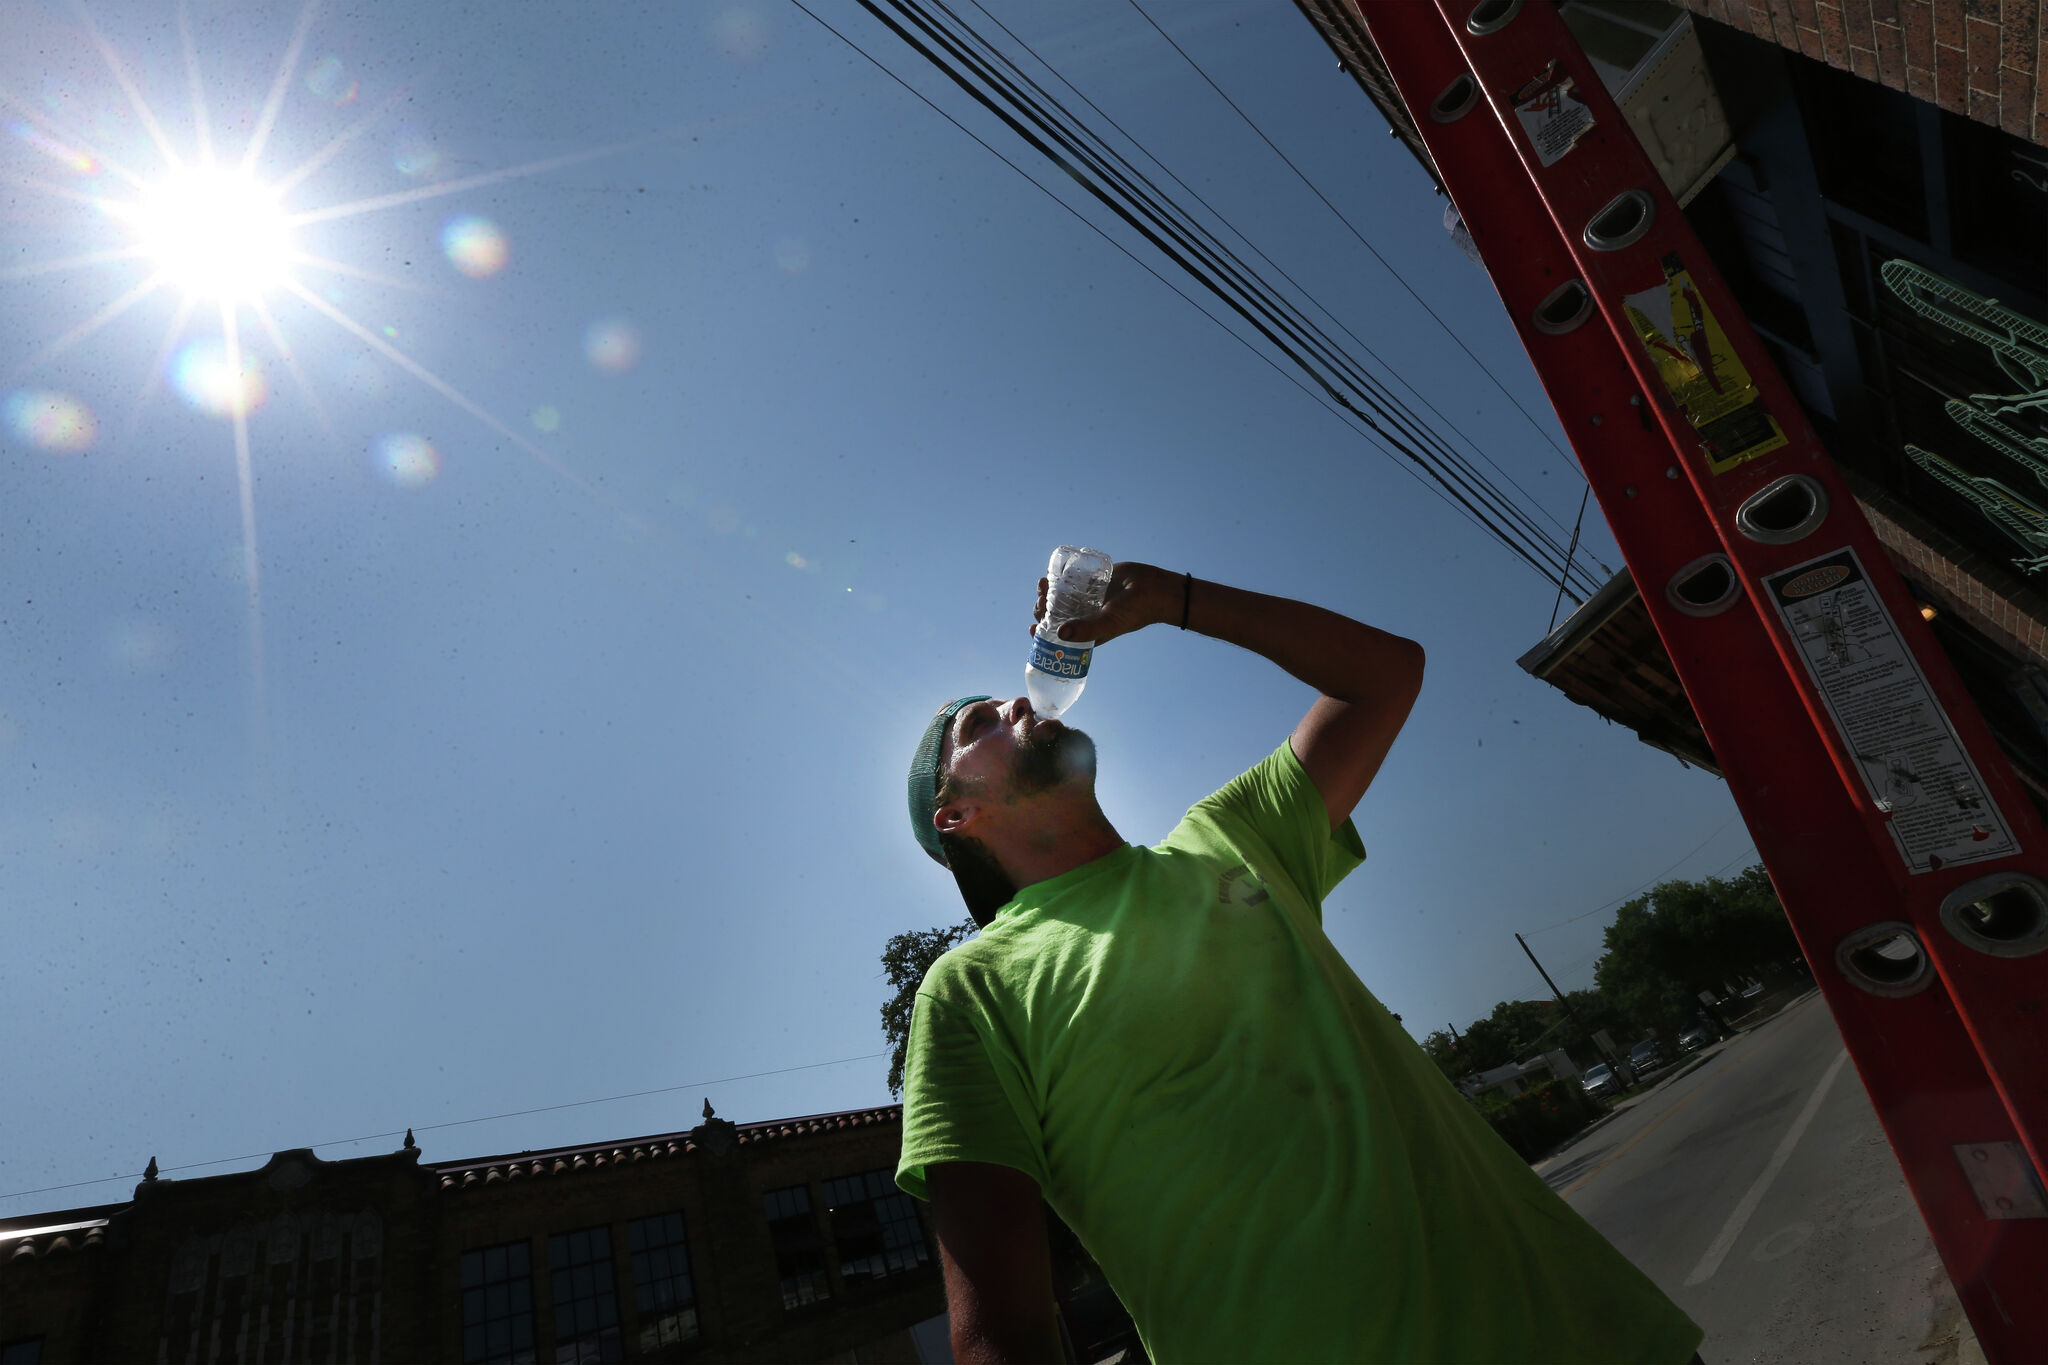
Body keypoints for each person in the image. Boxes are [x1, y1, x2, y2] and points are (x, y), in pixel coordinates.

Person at [898, 562, 1704, 1364]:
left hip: (1587, 1334)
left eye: (997, 701)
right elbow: (998, 1333)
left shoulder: (1226, 839)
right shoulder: (972, 991)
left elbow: (1386, 674)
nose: (1011, 703)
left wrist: (1169, 600)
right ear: (957, 814)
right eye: (977, 729)